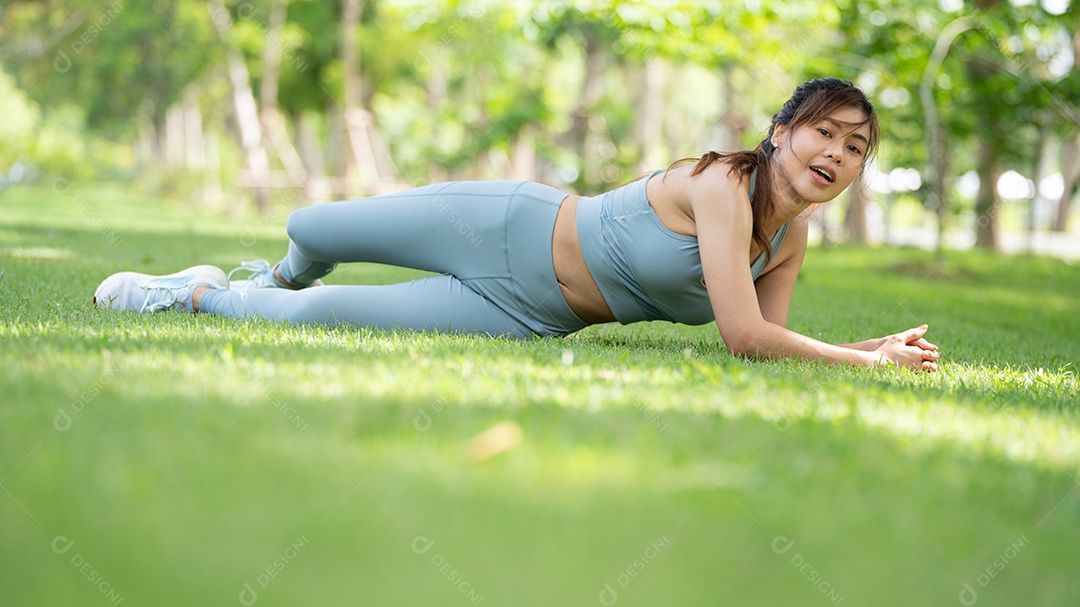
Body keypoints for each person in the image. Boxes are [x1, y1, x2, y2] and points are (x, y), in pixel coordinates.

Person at [93, 77, 940, 372]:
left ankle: (192, 295)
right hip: (501, 225)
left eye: (856, 146)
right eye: (823, 131)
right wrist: (868, 362)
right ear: (780, 133)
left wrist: (875, 353)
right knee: (310, 223)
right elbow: (745, 337)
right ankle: (278, 266)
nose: (836, 152)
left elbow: (763, 340)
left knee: (311, 321)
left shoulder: (791, 238)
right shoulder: (723, 183)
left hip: (531, 313)